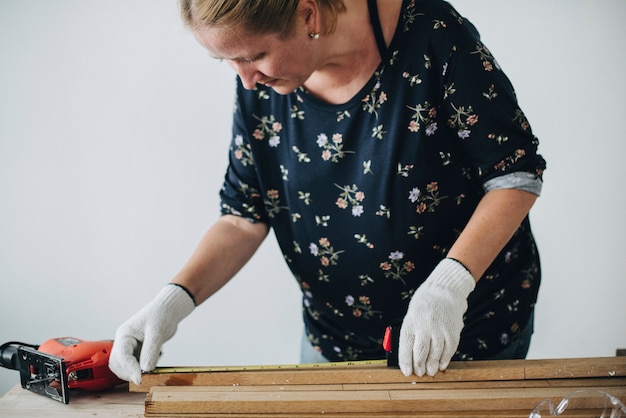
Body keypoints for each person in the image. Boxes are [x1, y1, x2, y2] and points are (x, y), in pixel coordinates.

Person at [109, 0, 546, 385]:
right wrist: (173, 301)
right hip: (334, 345)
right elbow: (244, 215)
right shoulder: (260, 84)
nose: (244, 80)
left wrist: (449, 286)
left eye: (255, 55)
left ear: (307, 14)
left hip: (463, 334)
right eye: (227, 61)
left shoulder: (433, 35)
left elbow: (515, 174)